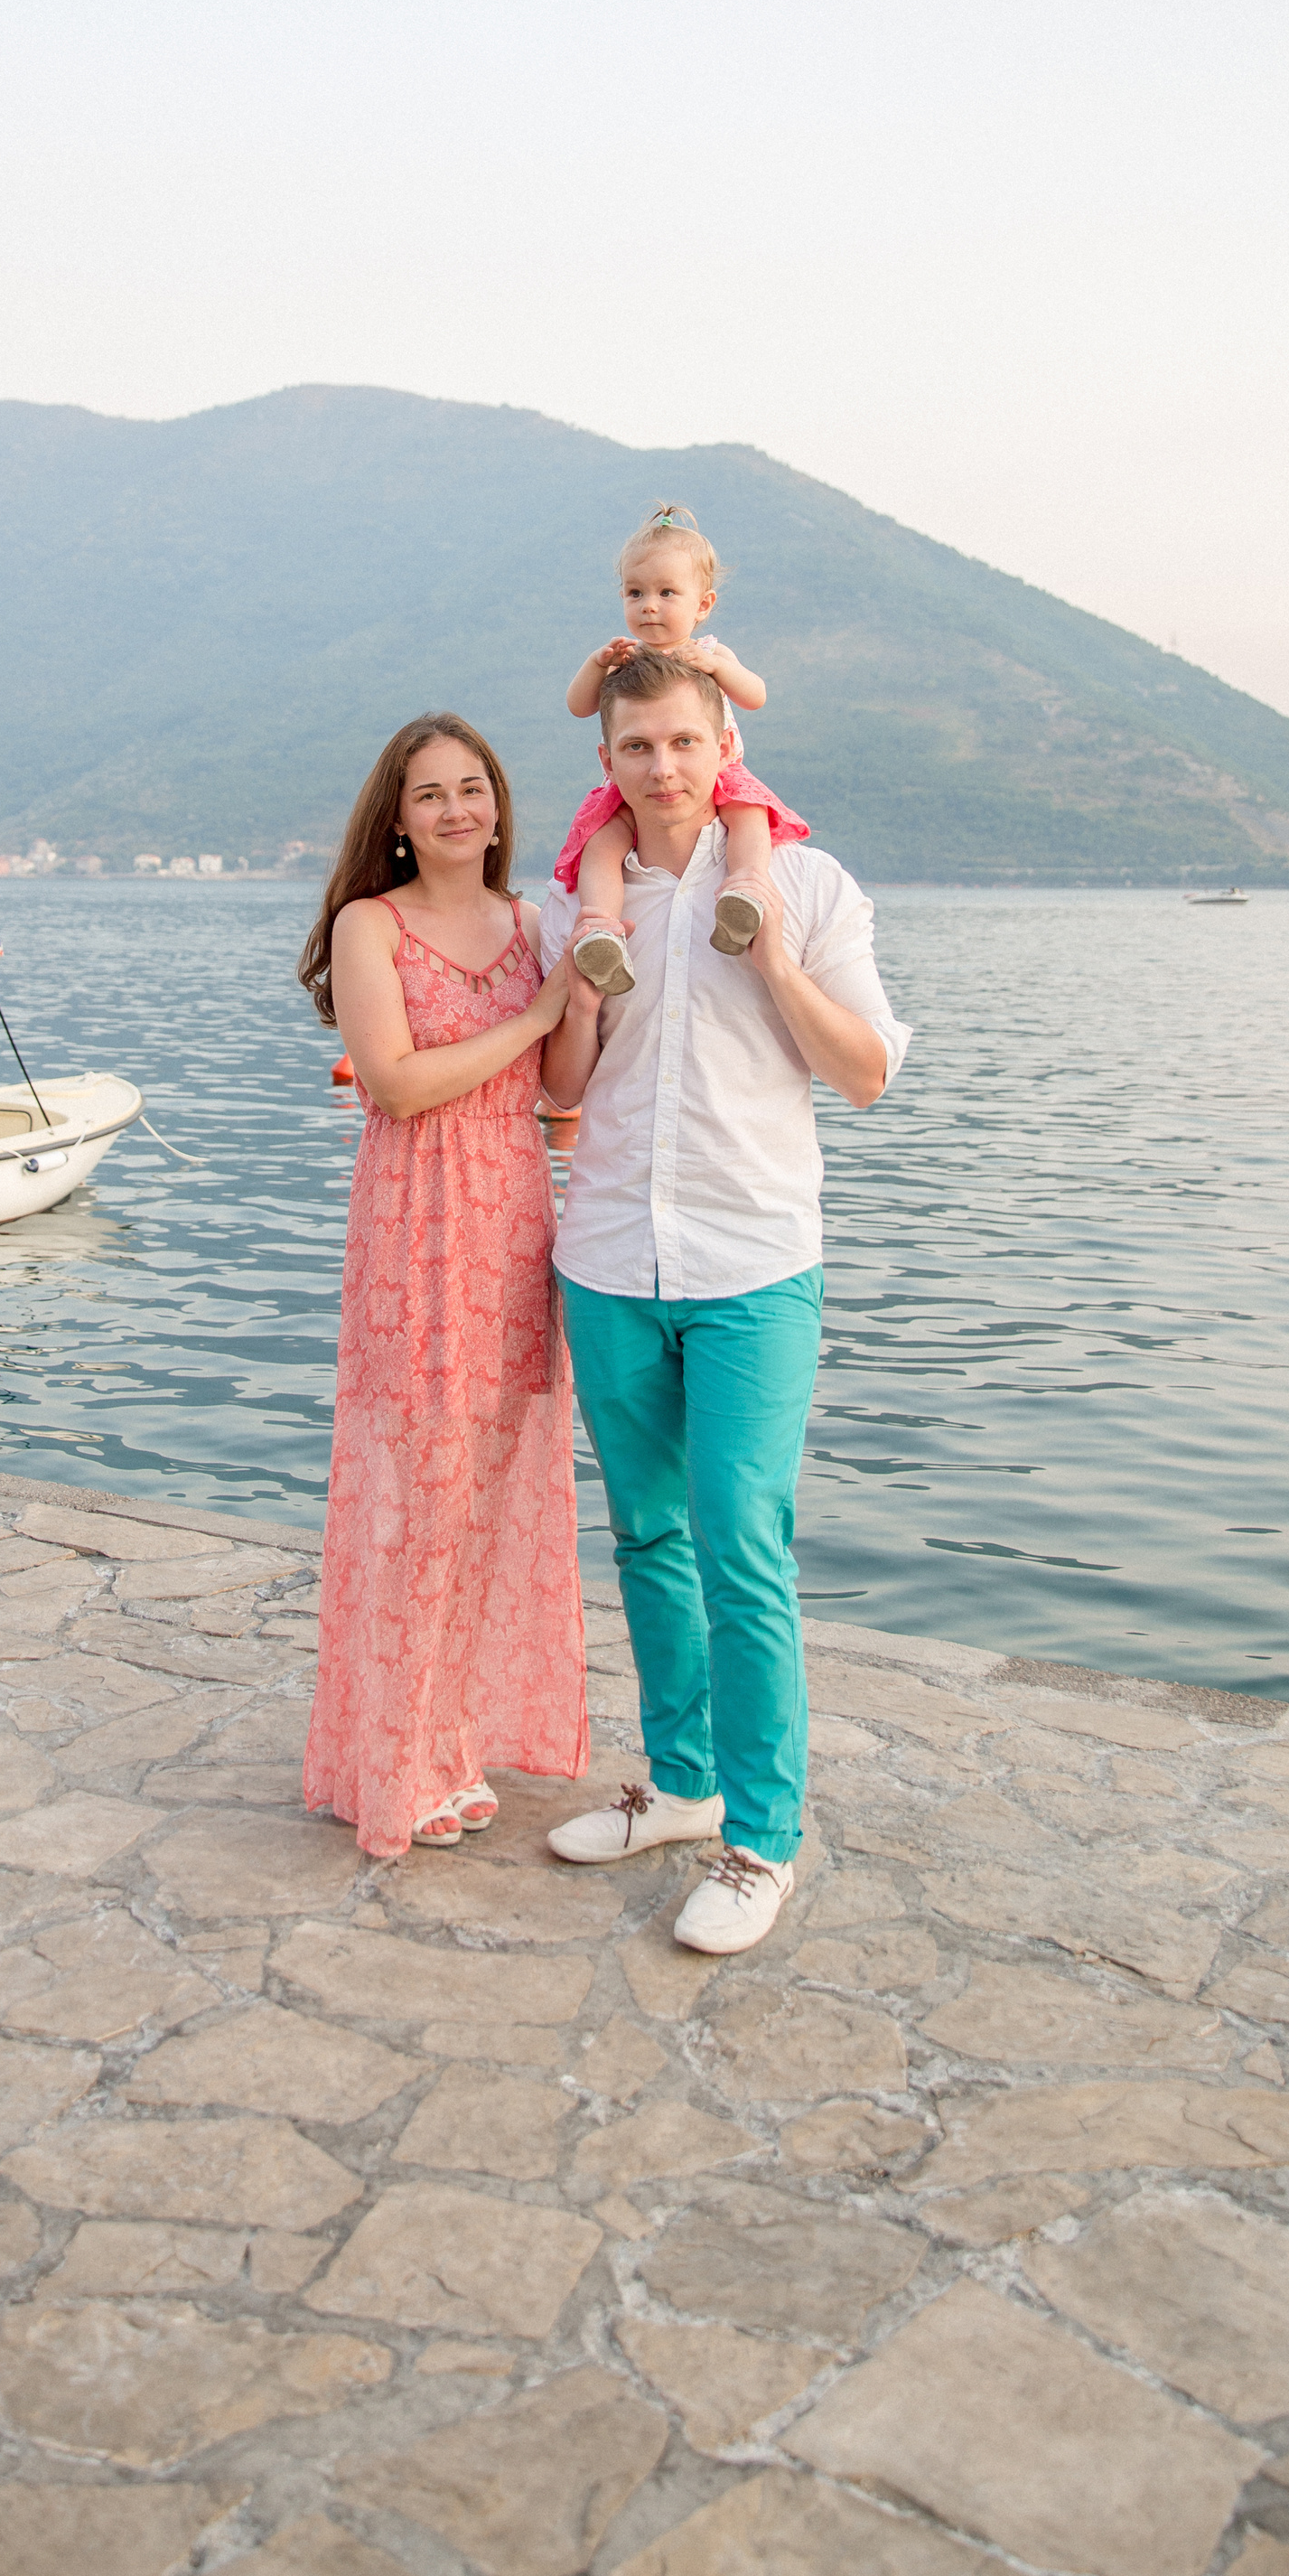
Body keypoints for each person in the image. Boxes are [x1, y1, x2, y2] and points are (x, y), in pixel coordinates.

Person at [538, 648, 909, 1953]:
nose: (662, 768)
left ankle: (764, 1841)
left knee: (741, 1541)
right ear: (609, 763)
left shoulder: (803, 884)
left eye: (684, 745)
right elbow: (563, 1093)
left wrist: (777, 967)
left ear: (720, 750)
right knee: (646, 1535)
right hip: (606, 1258)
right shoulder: (577, 901)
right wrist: (580, 994)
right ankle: (683, 1787)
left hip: (755, 1265)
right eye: (637, 749)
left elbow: (866, 1074)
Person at [298, 713, 589, 1858]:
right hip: (416, 1228)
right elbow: (398, 1084)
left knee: (488, 1492)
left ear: (500, 807)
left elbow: (563, 1082)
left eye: (475, 788)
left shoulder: (532, 925)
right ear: (400, 820)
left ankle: (451, 1743)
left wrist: (588, 995)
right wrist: (533, 1012)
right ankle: (393, 1758)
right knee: (412, 1493)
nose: (459, 809)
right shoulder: (372, 925)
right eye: (431, 794)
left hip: (515, 1223)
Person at [561, 502, 808, 998]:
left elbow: (755, 695)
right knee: (603, 840)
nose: (649, 605)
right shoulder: (623, 658)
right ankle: (600, 927)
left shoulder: (712, 653)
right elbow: (579, 706)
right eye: (636, 593)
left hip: (717, 775)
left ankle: (745, 888)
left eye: (666, 593)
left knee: (748, 813)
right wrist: (595, 663)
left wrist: (718, 668)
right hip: (638, 793)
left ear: (703, 605)